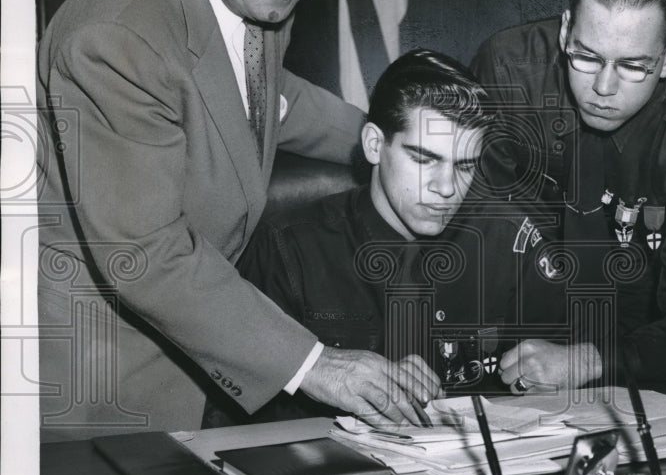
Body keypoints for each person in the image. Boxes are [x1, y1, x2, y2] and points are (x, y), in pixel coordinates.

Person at [35, 0, 432, 441]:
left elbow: (266, 97)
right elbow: (148, 258)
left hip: (204, 347)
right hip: (102, 384)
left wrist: (390, 143)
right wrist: (314, 364)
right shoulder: (118, 39)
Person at [469, 0, 666, 392]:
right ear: (564, 31)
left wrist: (587, 361)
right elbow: (470, 235)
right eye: (587, 56)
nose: (603, 87)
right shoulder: (508, 70)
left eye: (633, 66)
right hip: (508, 317)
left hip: (626, 343)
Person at [206, 49, 516, 424]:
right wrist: (351, 391)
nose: (447, 187)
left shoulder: (501, 240)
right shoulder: (288, 249)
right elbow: (232, 416)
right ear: (373, 145)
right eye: (424, 159)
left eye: (465, 166)